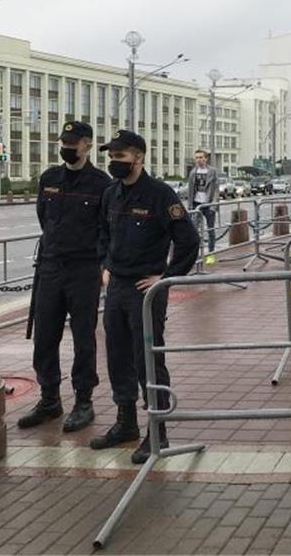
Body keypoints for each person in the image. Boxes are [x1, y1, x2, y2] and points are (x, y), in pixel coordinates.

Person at [91, 130, 200, 464]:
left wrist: (165, 278)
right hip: (117, 288)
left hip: (145, 291)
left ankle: (158, 431)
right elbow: (103, 234)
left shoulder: (159, 194)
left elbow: (188, 241)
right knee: (118, 356)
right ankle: (126, 423)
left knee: (147, 358)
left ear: (139, 158)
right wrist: (105, 267)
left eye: (120, 157)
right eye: (111, 157)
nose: (114, 163)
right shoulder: (111, 194)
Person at [18, 121, 112, 433]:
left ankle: (83, 401)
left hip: (83, 269)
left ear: (87, 144)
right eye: (64, 141)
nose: (67, 147)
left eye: (74, 142)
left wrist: (102, 265)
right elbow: (44, 218)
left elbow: (106, 229)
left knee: (84, 337)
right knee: (45, 336)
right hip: (50, 267)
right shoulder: (49, 178)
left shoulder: (101, 183)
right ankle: (49, 399)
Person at [189, 149, 219, 265]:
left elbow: (216, 190)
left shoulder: (212, 171)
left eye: (201, 157)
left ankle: (210, 255)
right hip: (196, 205)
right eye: (197, 157)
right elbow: (191, 190)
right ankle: (195, 255)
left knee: (210, 230)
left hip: (209, 204)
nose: (199, 160)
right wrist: (190, 206)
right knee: (194, 231)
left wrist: (213, 206)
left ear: (206, 158)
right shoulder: (193, 172)